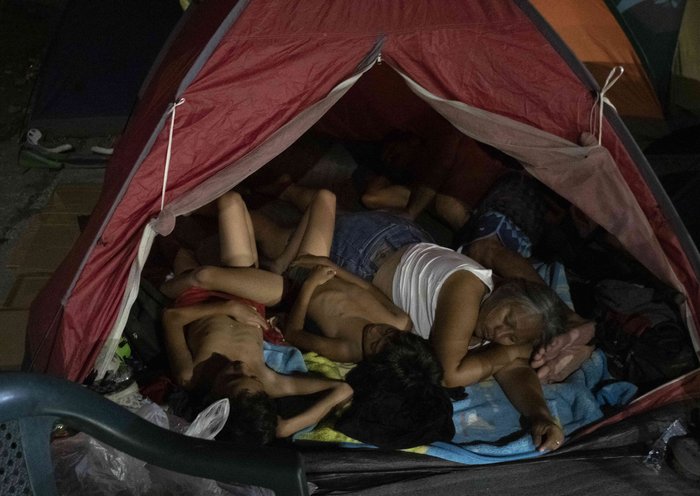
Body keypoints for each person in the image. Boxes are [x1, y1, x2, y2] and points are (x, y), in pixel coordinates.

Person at [327, 210, 569, 452]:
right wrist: (510, 352)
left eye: (512, 337)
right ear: (506, 288)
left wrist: (541, 416)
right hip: (365, 249)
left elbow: (515, 370)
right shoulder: (467, 288)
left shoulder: (495, 315)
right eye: (507, 319)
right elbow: (449, 374)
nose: (499, 333)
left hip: (401, 239)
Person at [161, 188, 353, 445]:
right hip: (247, 291)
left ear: (213, 399)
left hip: (201, 297)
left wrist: (226, 308)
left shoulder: (191, 375)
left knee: (176, 245)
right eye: (250, 375)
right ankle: (268, 261)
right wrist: (284, 428)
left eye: (232, 377)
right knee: (231, 203)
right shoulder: (269, 383)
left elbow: (171, 317)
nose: (240, 367)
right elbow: (343, 389)